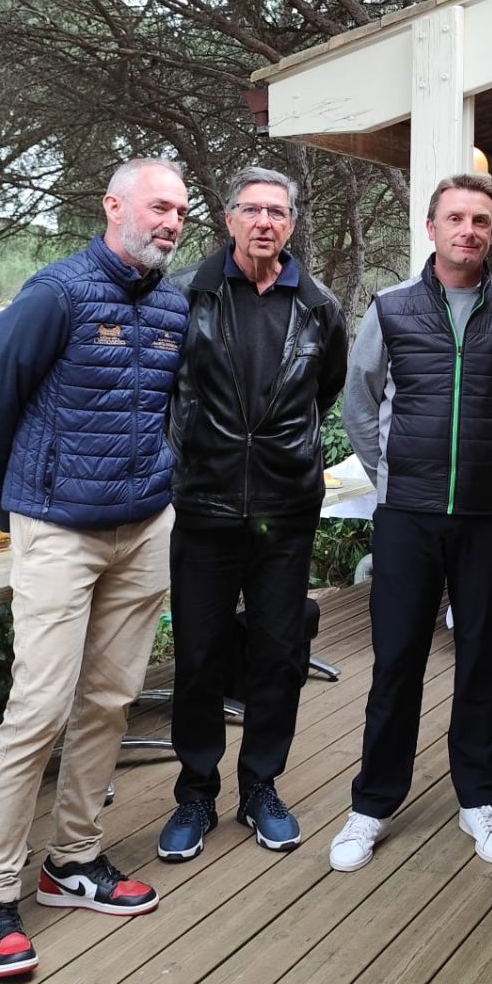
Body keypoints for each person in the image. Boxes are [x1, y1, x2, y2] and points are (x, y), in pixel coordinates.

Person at [0, 157, 191, 979]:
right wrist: (21, 513)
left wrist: (161, 489)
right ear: (113, 206)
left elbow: (167, 410)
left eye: (180, 211)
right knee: (39, 708)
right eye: (158, 206)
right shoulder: (55, 294)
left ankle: (73, 861)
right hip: (58, 530)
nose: (171, 222)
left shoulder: (172, 305)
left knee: (109, 699)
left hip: (143, 528)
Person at [330, 172, 492, 872]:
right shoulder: (391, 307)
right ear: (432, 228)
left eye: (480, 220)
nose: (468, 231)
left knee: (481, 659)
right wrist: (391, 476)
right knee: (397, 661)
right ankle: (371, 804)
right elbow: (359, 401)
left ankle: (479, 798)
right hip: (408, 515)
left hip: (488, 515)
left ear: (491, 230)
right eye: (455, 218)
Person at [159, 167, 348, 861]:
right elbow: (165, 388)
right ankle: (195, 793)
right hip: (203, 504)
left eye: (277, 212)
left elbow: (324, 389)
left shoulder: (319, 307)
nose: (264, 222)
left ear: (291, 225)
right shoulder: (186, 293)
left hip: (284, 510)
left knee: (278, 655)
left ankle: (261, 787)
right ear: (230, 218)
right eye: (252, 210)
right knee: (198, 657)